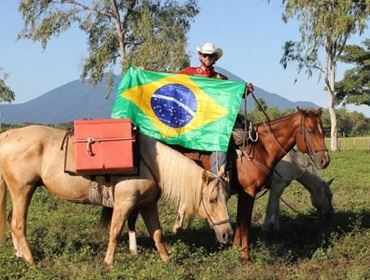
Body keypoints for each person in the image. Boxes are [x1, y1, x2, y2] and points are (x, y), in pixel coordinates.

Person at [179, 42, 254, 176]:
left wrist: (245, 91)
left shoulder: (222, 79)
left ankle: (218, 175)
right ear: (200, 56)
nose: (207, 57)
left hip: (213, 122)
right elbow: (168, 80)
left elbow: (232, 95)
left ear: (214, 58)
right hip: (191, 118)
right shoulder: (188, 73)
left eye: (210, 55)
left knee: (226, 137)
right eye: (205, 55)